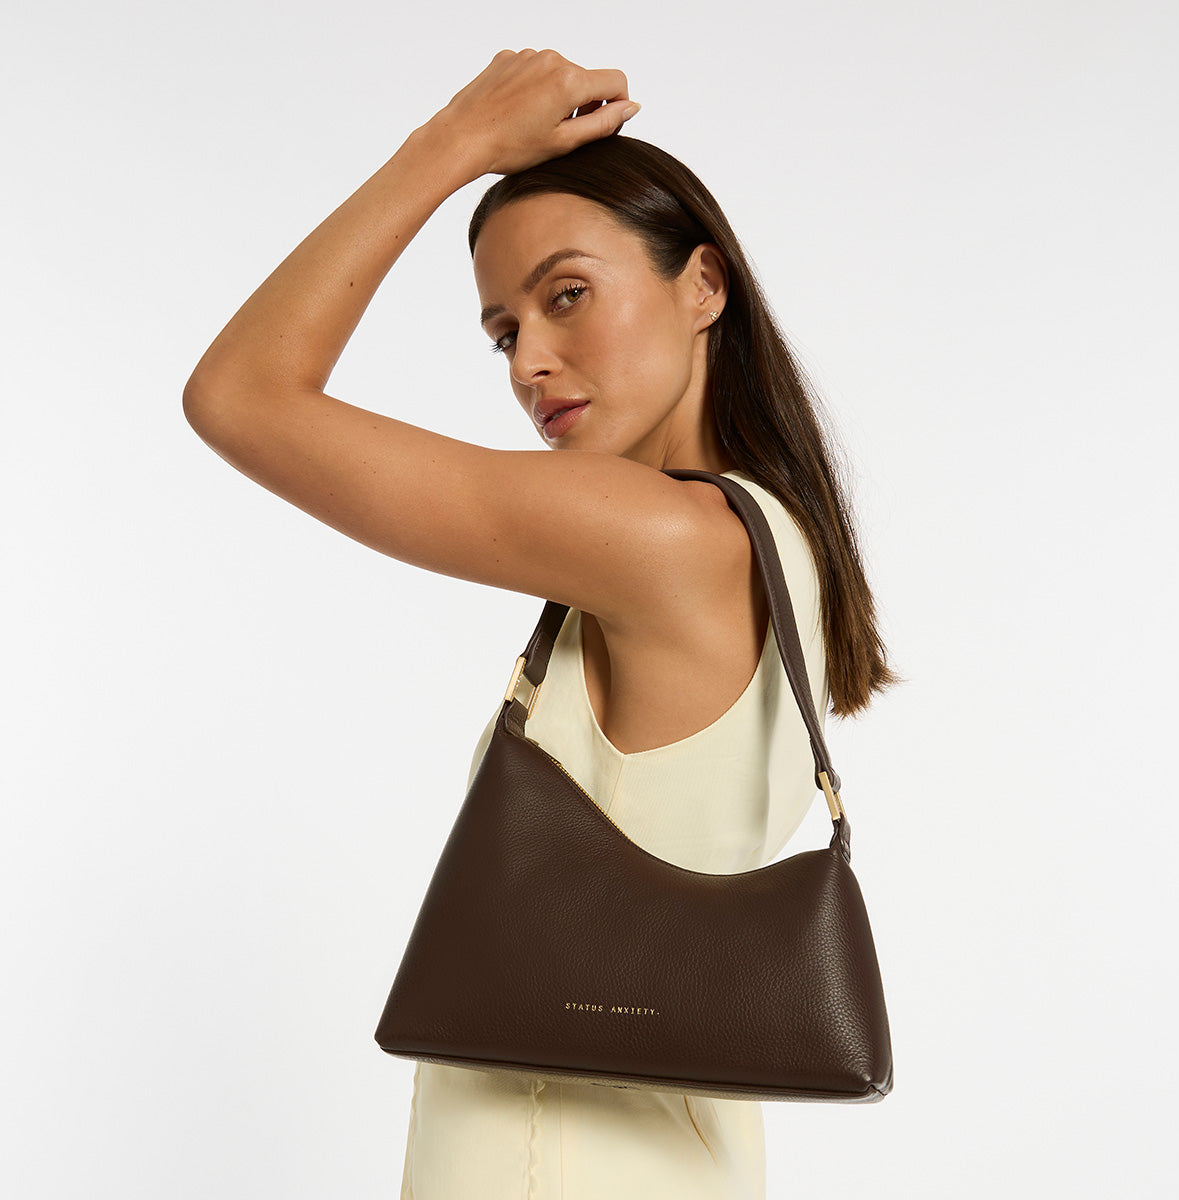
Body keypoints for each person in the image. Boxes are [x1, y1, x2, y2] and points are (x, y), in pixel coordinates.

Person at [183, 47, 901, 1200]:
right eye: (502, 330)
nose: (530, 361)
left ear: (704, 286)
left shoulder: (656, 535)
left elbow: (240, 395)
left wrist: (455, 140)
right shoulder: (774, 541)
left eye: (567, 295)